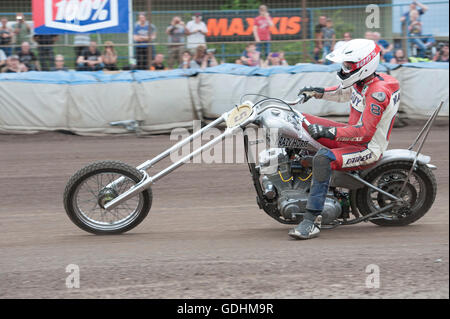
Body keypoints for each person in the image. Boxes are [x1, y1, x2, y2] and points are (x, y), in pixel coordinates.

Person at [289, 39, 400, 240]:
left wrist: (328, 132)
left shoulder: (377, 93)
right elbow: (344, 92)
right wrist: (316, 92)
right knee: (300, 121)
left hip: (366, 147)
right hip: (351, 136)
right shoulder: (362, 83)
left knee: (323, 158)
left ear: (365, 65)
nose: (344, 69)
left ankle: (312, 220)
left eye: (348, 66)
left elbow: (365, 132)